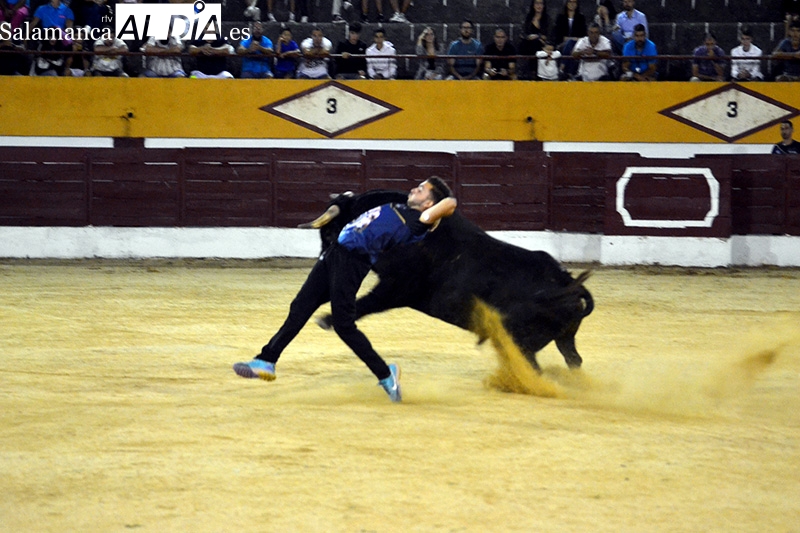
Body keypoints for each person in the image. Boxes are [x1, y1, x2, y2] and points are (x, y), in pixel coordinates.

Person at [232, 178, 458, 403]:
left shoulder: (420, 221)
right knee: (301, 306)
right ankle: (266, 361)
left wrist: (438, 203)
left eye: (420, 190)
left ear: (429, 204)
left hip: (352, 263)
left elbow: (450, 203)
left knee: (343, 325)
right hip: (335, 254)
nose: (413, 189)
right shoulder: (402, 206)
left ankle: (386, 374)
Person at [552, 0, 586, 79]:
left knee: (571, 44)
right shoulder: (560, 17)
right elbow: (559, 35)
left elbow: (583, 36)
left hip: (577, 44)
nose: (572, 4)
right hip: (562, 44)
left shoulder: (581, 18)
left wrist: (572, 39)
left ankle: (562, 67)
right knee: (569, 44)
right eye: (570, 2)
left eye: (574, 2)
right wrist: (571, 38)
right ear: (566, 4)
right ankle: (570, 73)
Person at [519, 0, 549, 80]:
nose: (539, 6)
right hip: (528, 45)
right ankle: (532, 72)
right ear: (533, 5)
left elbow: (550, 35)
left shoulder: (547, 19)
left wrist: (539, 37)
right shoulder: (527, 19)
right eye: (537, 3)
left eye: (541, 3)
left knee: (537, 44)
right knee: (533, 44)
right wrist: (529, 37)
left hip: (542, 46)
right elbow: (522, 34)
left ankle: (535, 73)